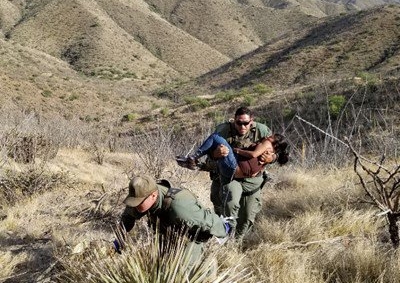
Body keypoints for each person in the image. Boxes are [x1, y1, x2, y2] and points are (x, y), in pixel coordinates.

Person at [114, 174, 231, 268]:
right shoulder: (140, 197)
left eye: (139, 202)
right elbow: (128, 217)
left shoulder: (180, 208)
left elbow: (207, 221)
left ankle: (208, 268)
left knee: (183, 269)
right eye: (134, 201)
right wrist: (119, 239)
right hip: (167, 231)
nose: (135, 206)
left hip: (190, 235)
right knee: (160, 265)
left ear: (153, 195)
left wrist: (224, 229)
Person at [203, 106, 285, 239]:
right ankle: (226, 238)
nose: (242, 126)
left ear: (251, 121)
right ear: (233, 120)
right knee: (228, 207)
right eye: (239, 123)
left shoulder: (262, 131)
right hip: (229, 178)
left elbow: (279, 151)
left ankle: (237, 242)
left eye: (246, 123)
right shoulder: (223, 131)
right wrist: (215, 154)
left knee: (247, 216)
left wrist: (272, 158)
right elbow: (209, 155)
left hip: (252, 181)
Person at [176, 133, 288, 183]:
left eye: (272, 137)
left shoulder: (267, 144)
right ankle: (194, 163)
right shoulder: (271, 151)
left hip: (234, 168)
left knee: (216, 137)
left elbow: (253, 154)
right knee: (219, 148)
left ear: (275, 143)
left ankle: (193, 158)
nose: (269, 136)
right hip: (233, 172)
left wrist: (238, 150)